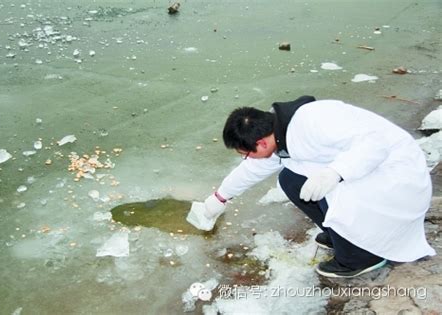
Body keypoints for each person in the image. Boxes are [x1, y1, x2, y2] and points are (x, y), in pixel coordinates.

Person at [187, 95, 436, 278]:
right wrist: (219, 198)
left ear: (260, 143)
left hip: (398, 177)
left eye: (245, 153)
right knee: (290, 179)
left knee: (325, 185)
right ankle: (342, 236)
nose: (246, 158)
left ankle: (362, 257)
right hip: (372, 174)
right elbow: (252, 170)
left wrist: (335, 173)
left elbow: (375, 144)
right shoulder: (279, 134)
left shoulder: (315, 120)